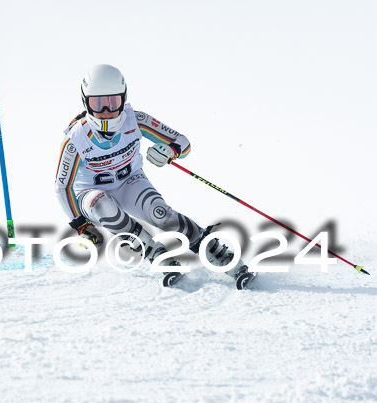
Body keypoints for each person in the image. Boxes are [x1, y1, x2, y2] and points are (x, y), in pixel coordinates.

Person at [54, 64, 251, 287]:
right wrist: (81, 225)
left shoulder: (135, 120)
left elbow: (182, 142)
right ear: (86, 102)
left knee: (162, 216)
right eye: (98, 104)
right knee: (103, 206)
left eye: (113, 102)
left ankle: (222, 257)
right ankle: (155, 254)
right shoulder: (76, 139)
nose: (107, 111)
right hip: (91, 192)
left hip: (129, 182)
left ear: (123, 97)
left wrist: (170, 151)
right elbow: (63, 187)